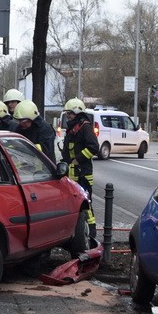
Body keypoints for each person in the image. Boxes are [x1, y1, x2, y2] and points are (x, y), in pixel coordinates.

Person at [61, 98, 99, 237]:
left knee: (86, 204)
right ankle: (78, 231)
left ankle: (91, 233)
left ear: (77, 112)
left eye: (70, 113)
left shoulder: (85, 127)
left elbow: (94, 147)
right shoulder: (73, 127)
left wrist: (78, 159)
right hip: (72, 172)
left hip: (83, 173)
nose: (68, 116)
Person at [14, 100, 57, 164]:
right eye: (18, 121)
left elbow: (45, 150)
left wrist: (21, 147)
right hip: (26, 169)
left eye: (23, 121)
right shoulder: (20, 128)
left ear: (32, 119)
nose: (21, 124)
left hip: (45, 170)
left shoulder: (45, 129)